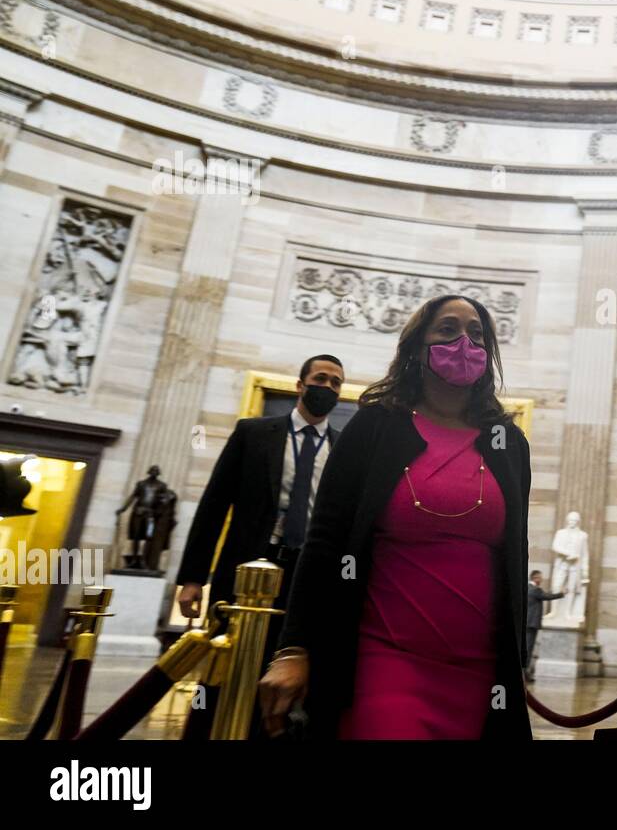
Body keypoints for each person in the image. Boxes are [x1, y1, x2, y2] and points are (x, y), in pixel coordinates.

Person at [258, 295, 533, 740]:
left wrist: (515, 662)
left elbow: (514, 557)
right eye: (447, 330)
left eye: (477, 333)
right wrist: (293, 648)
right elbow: (324, 542)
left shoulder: (509, 442)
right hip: (385, 657)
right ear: (416, 346)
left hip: (481, 673)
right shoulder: (374, 428)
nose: (464, 341)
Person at [176, 354, 346, 631]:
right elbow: (213, 506)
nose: (327, 386)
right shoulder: (253, 433)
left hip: (305, 574)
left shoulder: (343, 448)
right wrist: (193, 579)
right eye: (320, 379)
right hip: (246, 565)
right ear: (300, 385)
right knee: (228, 660)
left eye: (335, 382)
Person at [524, 570, 564, 681]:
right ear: (535, 578)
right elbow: (547, 596)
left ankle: (525, 672)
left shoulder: (527, 588)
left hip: (526, 623)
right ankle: (525, 672)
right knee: (528, 648)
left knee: (526, 647)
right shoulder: (535, 589)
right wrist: (562, 593)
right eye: (540, 578)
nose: (541, 580)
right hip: (531, 624)